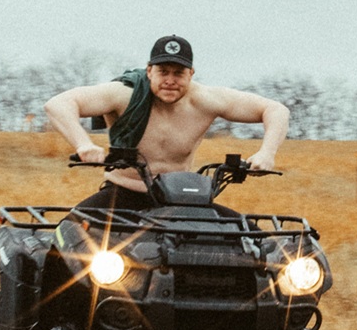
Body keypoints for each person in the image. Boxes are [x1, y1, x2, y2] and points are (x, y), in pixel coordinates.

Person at [44, 35, 291, 212]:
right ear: (149, 71)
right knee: (68, 239)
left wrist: (267, 153)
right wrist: (83, 144)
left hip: (183, 201)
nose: (170, 80)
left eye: (178, 73)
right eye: (163, 71)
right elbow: (58, 104)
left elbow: (276, 110)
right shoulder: (123, 95)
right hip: (122, 195)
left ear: (191, 74)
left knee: (252, 246)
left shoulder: (207, 100)